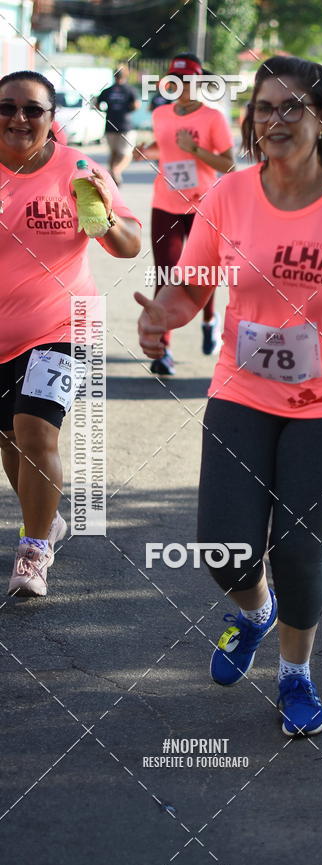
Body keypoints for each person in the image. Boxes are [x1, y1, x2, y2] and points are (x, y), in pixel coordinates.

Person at [135, 55, 322, 736]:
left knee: (297, 547)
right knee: (224, 548)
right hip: (243, 388)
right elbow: (194, 284)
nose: (278, 119)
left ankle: (296, 675)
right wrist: (160, 315)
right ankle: (256, 613)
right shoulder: (228, 195)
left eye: (294, 106)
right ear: (251, 120)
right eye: (266, 107)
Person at [0, 70, 141, 597]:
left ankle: (34, 549)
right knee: (11, 438)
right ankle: (47, 521)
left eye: (32, 110)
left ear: (51, 118)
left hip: (64, 324)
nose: (18, 118)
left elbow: (127, 246)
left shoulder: (79, 171)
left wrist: (106, 217)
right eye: (7, 107)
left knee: (36, 432)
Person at [134, 53, 235, 374]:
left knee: (201, 274)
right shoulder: (161, 114)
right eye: (175, 81)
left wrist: (196, 151)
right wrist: (145, 151)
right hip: (165, 202)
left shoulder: (213, 118)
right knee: (166, 273)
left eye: (189, 81)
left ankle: (208, 321)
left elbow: (228, 163)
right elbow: (164, 149)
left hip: (204, 204)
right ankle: (163, 350)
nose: (182, 87)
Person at [96, 65, 140, 186]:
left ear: (114, 75)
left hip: (110, 125)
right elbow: (136, 105)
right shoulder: (130, 90)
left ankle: (111, 179)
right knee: (127, 153)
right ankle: (116, 171)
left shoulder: (107, 90)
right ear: (126, 75)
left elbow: (97, 104)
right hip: (125, 126)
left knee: (114, 153)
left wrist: (107, 111)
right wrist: (127, 109)